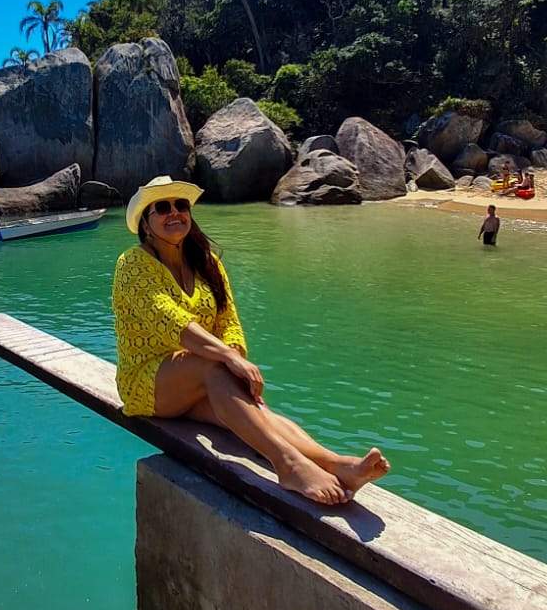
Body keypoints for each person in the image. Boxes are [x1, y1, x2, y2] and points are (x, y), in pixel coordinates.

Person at [112, 175, 390, 508]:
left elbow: (229, 322)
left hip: (199, 379)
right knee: (214, 366)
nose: (174, 212)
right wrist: (231, 360)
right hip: (147, 383)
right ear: (145, 222)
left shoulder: (206, 262)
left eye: (181, 205)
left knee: (256, 411)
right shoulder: (132, 264)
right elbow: (171, 321)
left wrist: (235, 358)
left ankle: (337, 464)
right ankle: (288, 465)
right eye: (162, 207)